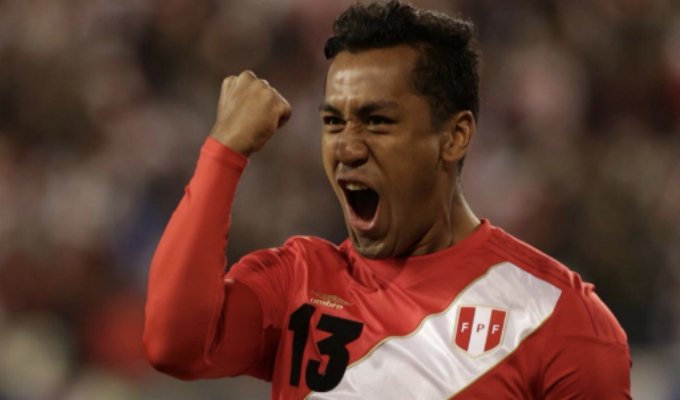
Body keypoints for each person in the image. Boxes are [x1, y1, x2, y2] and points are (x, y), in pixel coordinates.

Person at [143, 1, 632, 398]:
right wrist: (225, 151)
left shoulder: (555, 316)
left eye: (377, 121)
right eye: (333, 122)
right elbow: (173, 345)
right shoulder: (296, 283)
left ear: (455, 136)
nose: (347, 148)